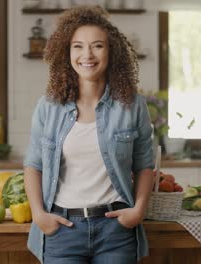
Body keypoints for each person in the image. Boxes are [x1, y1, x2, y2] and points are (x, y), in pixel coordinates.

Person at [23, 5, 154, 264]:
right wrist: (39, 215)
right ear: (67, 52)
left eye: (97, 46)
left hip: (115, 230)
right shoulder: (48, 106)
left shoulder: (132, 105)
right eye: (78, 46)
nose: (87, 55)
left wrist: (138, 210)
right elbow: (33, 165)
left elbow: (144, 164)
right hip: (62, 230)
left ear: (111, 52)